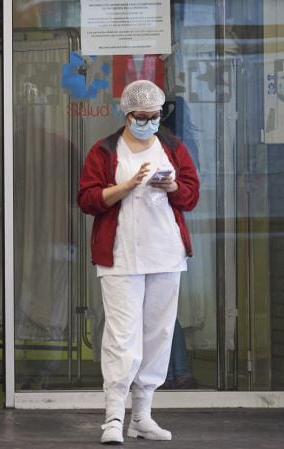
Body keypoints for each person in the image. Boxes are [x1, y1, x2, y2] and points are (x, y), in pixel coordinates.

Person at [76, 79, 200, 444]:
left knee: (158, 335)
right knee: (121, 336)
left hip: (166, 253)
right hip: (120, 256)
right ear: (127, 114)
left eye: (155, 116)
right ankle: (113, 416)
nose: (148, 122)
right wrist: (125, 187)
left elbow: (192, 195)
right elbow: (87, 199)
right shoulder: (105, 150)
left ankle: (142, 415)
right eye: (141, 116)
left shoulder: (173, 148)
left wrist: (173, 187)